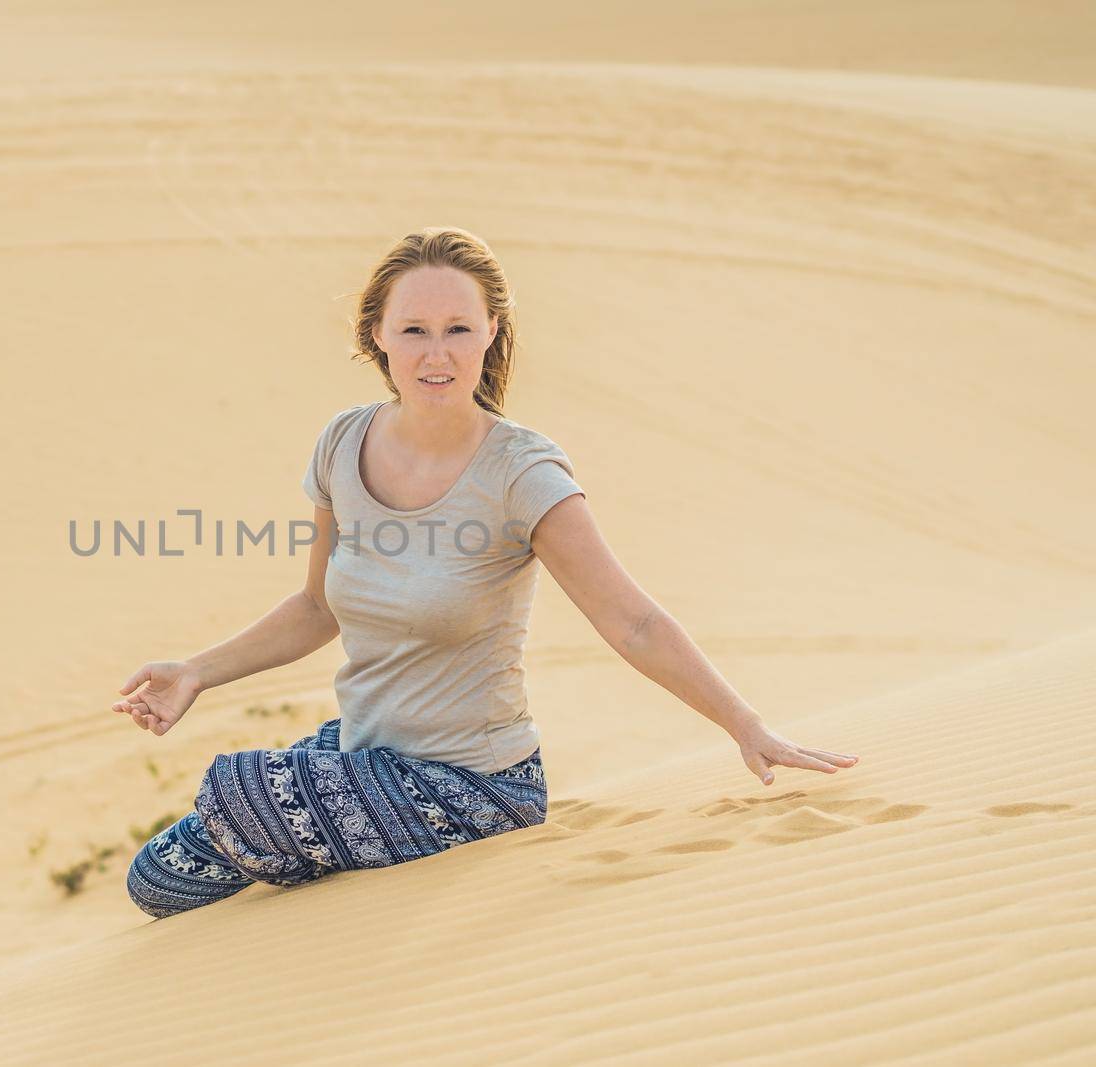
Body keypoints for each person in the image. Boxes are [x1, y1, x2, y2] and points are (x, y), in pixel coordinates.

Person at [120, 226, 859, 920]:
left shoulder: (521, 471)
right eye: (413, 329)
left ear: (491, 333)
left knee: (236, 789)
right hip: (365, 754)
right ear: (377, 333)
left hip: (477, 786)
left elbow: (631, 620)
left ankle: (338, 857)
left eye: (458, 328)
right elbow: (317, 608)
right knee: (156, 877)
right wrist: (196, 671)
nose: (435, 353)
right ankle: (335, 843)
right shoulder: (342, 444)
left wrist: (746, 724)